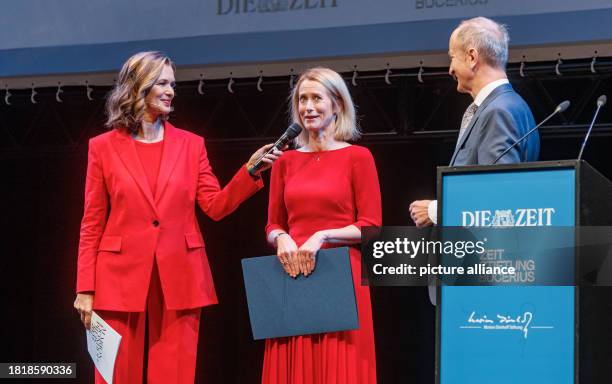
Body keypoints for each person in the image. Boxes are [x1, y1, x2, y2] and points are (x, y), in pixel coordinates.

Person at [72, 51, 281, 384]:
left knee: (174, 375)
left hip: (180, 275)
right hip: (118, 277)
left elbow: (215, 205)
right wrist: (85, 287)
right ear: (137, 87)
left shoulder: (191, 145)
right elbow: (92, 222)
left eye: (173, 84)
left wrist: (250, 170)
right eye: (162, 83)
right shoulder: (103, 147)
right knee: (113, 375)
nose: (171, 91)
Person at [263, 67, 381, 384]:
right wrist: (281, 237)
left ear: (337, 106)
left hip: (341, 276)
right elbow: (272, 224)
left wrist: (322, 235)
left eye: (317, 98)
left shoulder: (359, 157)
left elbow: (371, 227)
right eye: (303, 99)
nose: (308, 107)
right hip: (293, 274)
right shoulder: (284, 161)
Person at [409, 16, 540, 227]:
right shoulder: (507, 105)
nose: (450, 69)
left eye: (452, 57)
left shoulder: (499, 111)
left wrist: (435, 210)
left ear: (472, 57)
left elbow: (499, 195)